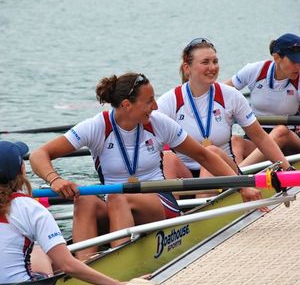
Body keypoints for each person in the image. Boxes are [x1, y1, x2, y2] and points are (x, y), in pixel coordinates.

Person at [30, 72, 257, 253]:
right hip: (115, 204)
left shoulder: (158, 123)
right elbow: (39, 155)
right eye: (149, 101)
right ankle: (82, 266)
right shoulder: (96, 126)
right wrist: (55, 179)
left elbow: (204, 156)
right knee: (85, 199)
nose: (156, 107)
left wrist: (243, 185)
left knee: (118, 197)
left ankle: (117, 260)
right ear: (127, 104)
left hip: (158, 203)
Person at [157, 37, 292, 182]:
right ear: (187, 68)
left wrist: (288, 170)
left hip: (226, 172)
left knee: (210, 152)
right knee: (168, 158)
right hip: (186, 175)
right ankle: (170, 202)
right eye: (205, 62)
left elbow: (260, 137)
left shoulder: (231, 96)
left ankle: (204, 200)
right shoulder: (170, 100)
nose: (212, 67)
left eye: (215, 61)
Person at [0, 139, 125, 285]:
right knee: (41, 252)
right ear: (22, 169)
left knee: (39, 250)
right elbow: (67, 266)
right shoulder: (31, 208)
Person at [224, 33, 300, 166]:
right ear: (277, 58)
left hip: (291, 140)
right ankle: (242, 181)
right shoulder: (254, 71)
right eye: (294, 62)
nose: (298, 67)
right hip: (258, 139)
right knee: (236, 140)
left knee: (280, 131)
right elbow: (220, 91)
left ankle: (237, 177)